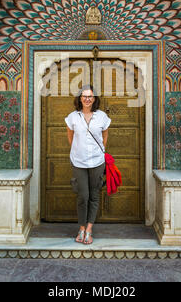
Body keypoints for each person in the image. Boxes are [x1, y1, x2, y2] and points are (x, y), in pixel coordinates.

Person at [65, 85, 111, 245]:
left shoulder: (102, 117)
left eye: (90, 96)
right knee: (83, 196)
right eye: (84, 96)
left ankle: (89, 229)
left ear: (94, 99)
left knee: (94, 195)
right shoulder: (72, 117)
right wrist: (78, 151)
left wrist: (100, 151)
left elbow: (104, 136)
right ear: (79, 99)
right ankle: (81, 228)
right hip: (78, 162)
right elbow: (70, 137)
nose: (87, 99)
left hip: (97, 161)